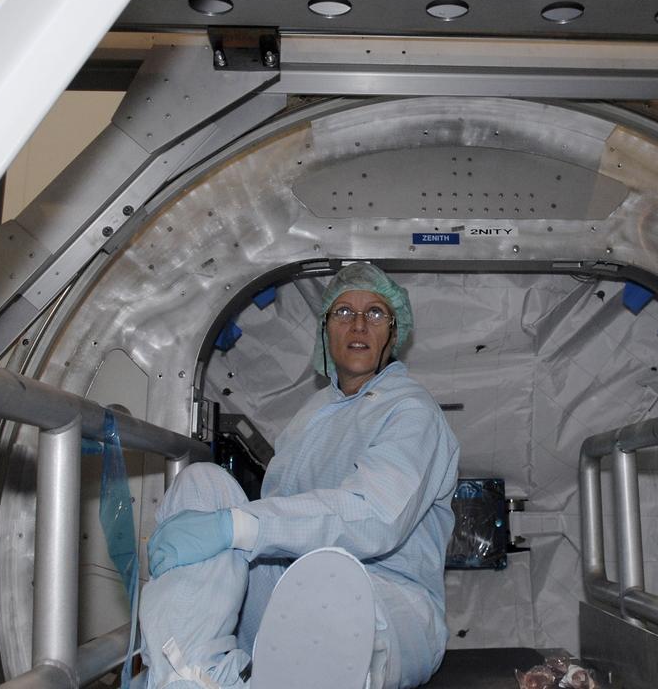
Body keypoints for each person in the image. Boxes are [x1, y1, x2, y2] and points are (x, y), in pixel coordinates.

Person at [138, 262, 461, 689]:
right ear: (326, 331)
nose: (359, 324)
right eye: (344, 312)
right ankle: (189, 676)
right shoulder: (311, 416)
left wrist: (233, 526)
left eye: (376, 313)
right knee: (203, 482)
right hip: (290, 587)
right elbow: (281, 520)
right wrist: (220, 530)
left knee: (327, 581)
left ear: (393, 335)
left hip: (386, 602)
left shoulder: (411, 412)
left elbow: (373, 517)